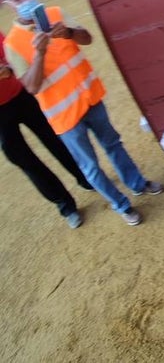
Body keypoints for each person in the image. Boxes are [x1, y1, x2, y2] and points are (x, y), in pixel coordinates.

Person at [3, 0, 164, 226]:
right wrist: (40, 54)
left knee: (113, 144)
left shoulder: (55, 12)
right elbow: (32, 86)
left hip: (89, 97)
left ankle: (137, 183)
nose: (27, 1)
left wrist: (68, 32)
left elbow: (87, 38)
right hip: (64, 115)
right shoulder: (13, 43)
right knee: (90, 167)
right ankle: (121, 206)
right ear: (9, 5)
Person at [1, 31, 93, 228]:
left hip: (20, 95)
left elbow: (12, 55)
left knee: (55, 137)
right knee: (23, 159)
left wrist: (8, 69)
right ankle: (65, 204)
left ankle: (86, 178)